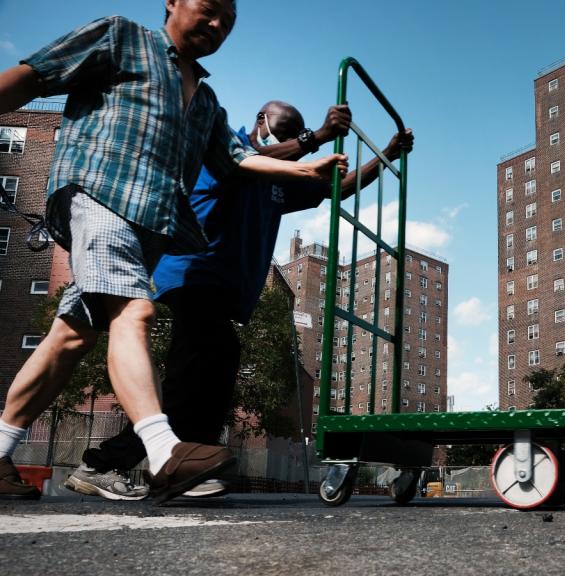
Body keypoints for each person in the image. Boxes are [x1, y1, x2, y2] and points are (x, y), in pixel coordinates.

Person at [0, 0, 348, 503]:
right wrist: (311, 143)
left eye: (227, 22)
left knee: (69, 338)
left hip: (148, 228)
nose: (215, 25)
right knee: (133, 310)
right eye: (208, 10)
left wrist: (308, 167)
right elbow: (34, 76)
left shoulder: (206, 103)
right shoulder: (121, 38)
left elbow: (239, 160)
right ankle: (164, 451)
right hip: (98, 195)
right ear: (173, 3)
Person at [64, 100, 413, 500]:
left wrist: (386, 154)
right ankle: (104, 463)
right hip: (191, 272)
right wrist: (316, 136)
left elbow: (337, 189)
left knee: (216, 367)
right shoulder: (230, 148)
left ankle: (191, 461)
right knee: (192, 372)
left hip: (223, 287)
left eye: (294, 137)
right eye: (283, 133)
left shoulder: (279, 179)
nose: (290, 143)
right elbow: (247, 159)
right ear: (261, 122)